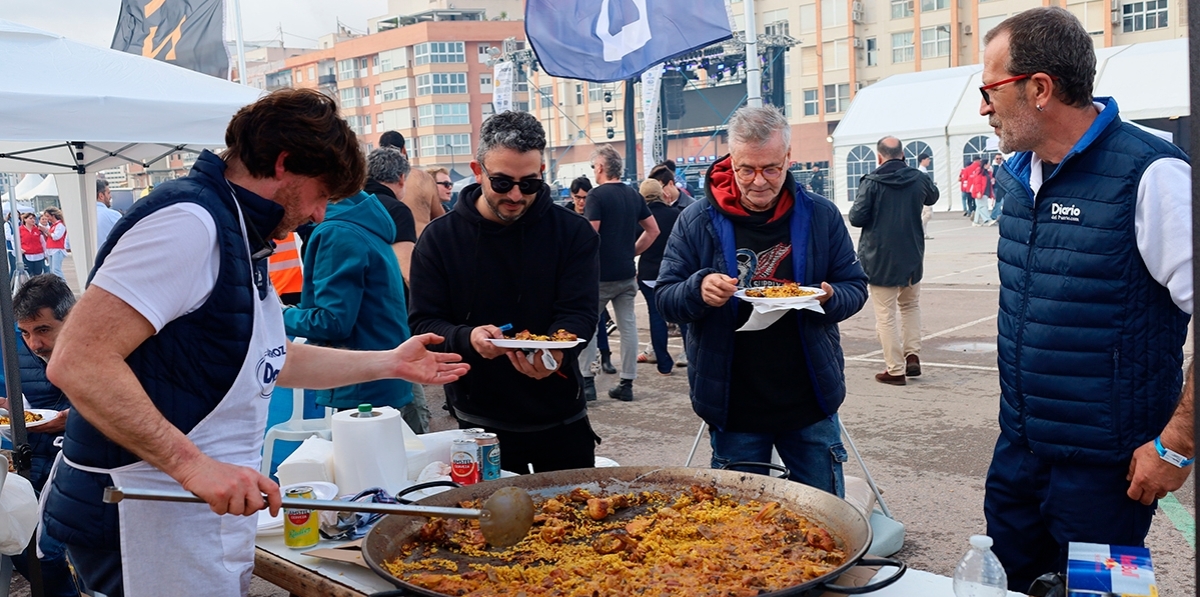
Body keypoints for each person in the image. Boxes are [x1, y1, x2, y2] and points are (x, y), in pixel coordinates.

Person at [40, 88, 469, 597]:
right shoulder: (189, 223)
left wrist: (390, 363)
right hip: (141, 508)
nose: (320, 214)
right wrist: (192, 466)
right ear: (283, 163)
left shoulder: (241, 232)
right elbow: (78, 360)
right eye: (320, 193)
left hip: (196, 511)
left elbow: (268, 357)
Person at [979, 8, 1192, 591]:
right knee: (1009, 584)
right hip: (1019, 454)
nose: (984, 108)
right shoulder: (1018, 177)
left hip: (1108, 474)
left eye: (990, 90)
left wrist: (1177, 445)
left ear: (1039, 89)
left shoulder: (1152, 175)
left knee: (1101, 593)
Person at [656, 105, 868, 495]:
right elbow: (666, 297)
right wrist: (698, 289)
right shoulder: (696, 219)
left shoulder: (821, 215)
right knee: (741, 522)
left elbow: (855, 286)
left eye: (771, 169)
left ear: (788, 158)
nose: (758, 182)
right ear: (731, 160)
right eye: (746, 170)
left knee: (823, 515)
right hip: (733, 403)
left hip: (809, 400)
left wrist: (830, 297)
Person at [409, 110, 601, 474]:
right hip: (478, 421)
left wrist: (555, 355)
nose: (515, 195)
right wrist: (467, 338)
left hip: (561, 416)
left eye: (529, 184)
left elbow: (580, 313)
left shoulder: (573, 232)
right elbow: (423, 323)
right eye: (501, 182)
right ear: (477, 170)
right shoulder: (439, 239)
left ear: (541, 171)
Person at [283, 186, 414, 413]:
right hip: (378, 376)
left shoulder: (337, 233)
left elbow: (332, 321)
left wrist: (278, 315)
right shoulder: (357, 222)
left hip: (361, 383)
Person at [0, 274, 79, 597]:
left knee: (55, 549)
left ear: (71, 317)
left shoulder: (101, 346)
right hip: (31, 460)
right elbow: (17, 403)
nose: (34, 343)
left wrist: (77, 420)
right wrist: (9, 408)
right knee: (23, 542)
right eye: (25, 332)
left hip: (77, 466)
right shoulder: (13, 349)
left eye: (43, 330)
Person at [848, 136, 939, 386]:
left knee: (885, 314)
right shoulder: (918, 178)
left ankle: (895, 369)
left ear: (879, 157)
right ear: (903, 154)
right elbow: (933, 197)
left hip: (879, 256)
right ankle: (912, 355)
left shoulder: (872, 182)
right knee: (910, 306)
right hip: (911, 252)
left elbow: (856, 217)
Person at [578, 145, 660, 402]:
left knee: (589, 327)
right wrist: (632, 251)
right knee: (628, 328)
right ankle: (627, 382)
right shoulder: (633, 195)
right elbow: (653, 230)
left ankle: (587, 381)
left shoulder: (596, 196)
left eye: (594, 167)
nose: (594, 171)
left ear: (601, 167)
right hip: (626, 273)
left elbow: (590, 235)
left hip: (599, 275)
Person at [634, 178, 683, 375]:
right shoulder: (676, 214)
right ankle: (692, 355)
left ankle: (664, 364)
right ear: (662, 194)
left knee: (656, 317)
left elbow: (634, 244)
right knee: (682, 315)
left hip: (648, 274)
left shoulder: (640, 218)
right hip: (674, 272)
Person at [570, 176, 616, 376]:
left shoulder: (596, 213)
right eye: (578, 197)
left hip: (596, 273)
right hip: (573, 274)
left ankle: (605, 355)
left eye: (585, 197)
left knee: (598, 317)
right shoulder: (566, 215)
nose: (581, 202)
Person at [362, 148, 418, 285]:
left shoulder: (349, 202)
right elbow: (408, 273)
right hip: (381, 291)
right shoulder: (397, 211)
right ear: (401, 178)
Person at [378, 130, 445, 237]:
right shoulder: (423, 178)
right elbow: (440, 219)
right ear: (404, 150)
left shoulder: (370, 180)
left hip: (386, 245)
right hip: (420, 243)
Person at [39, 207, 68, 279]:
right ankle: (56, 283)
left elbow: (56, 237)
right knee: (52, 270)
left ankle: (62, 283)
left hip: (57, 249)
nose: (47, 218)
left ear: (53, 215)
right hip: (51, 248)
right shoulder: (53, 225)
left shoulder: (60, 225)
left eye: (48, 216)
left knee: (56, 270)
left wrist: (46, 231)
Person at [95, 178, 123, 248]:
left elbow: (68, 245)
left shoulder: (79, 218)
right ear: (101, 196)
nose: (110, 196)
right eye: (108, 193)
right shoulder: (114, 215)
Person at [916, 153, 935, 239]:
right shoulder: (921, 172)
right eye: (927, 159)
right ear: (922, 160)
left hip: (926, 195)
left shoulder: (924, 171)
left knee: (925, 214)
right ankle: (919, 228)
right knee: (928, 214)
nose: (929, 161)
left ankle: (924, 233)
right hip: (924, 196)